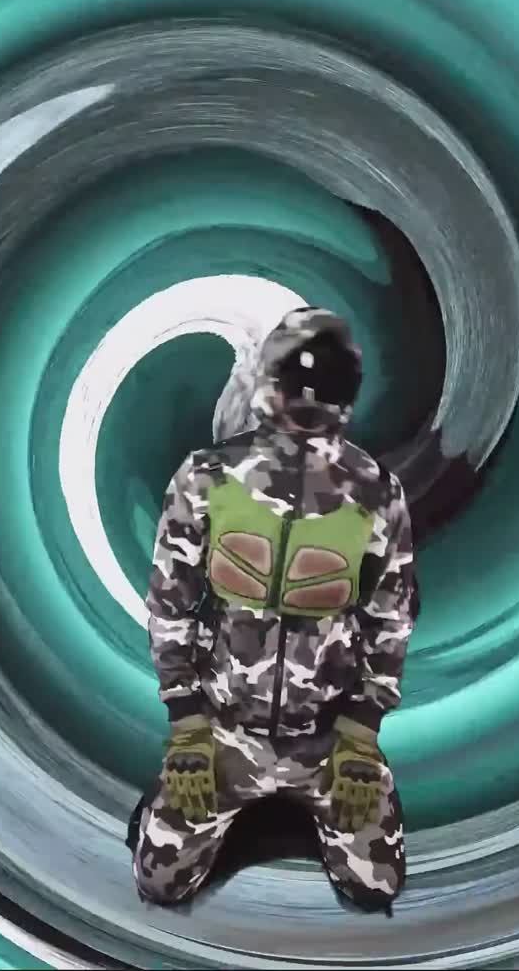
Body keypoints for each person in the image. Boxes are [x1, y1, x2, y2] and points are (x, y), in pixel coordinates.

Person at [130, 306, 420, 912]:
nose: (308, 402)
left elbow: (390, 620)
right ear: (269, 383)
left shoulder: (375, 493)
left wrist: (361, 733)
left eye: (325, 386)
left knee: (376, 884)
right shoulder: (207, 479)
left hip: (328, 738)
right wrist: (187, 721)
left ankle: (316, 804)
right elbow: (170, 606)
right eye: (297, 383)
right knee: (159, 880)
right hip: (223, 729)